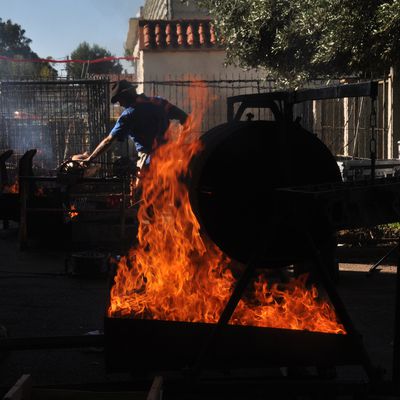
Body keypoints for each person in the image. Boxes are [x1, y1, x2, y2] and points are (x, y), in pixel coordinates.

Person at [80, 80, 188, 168]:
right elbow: (185, 118)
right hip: (170, 157)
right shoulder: (160, 102)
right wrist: (180, 142)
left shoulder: (129, 114)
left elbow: (109, 141)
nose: (120, 104)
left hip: (150, 161)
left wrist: (90, 159)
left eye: (120, 100)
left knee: (142, 193)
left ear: (127, 95)